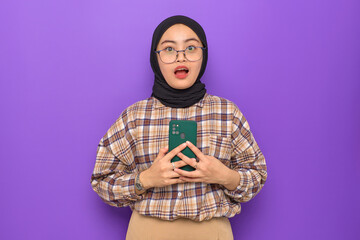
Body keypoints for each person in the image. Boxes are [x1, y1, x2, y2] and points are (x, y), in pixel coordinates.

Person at [90, 15, 267, 240]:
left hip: (212, 232)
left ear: (204, 54)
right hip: (148, 232)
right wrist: (145, 179)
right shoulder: (134, 117)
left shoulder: (227, 113)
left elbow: (257, 175)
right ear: (155, 58)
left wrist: (225, 176)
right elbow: (101, 180)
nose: (181, 57)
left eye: (191, 47)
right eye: (169, 49)